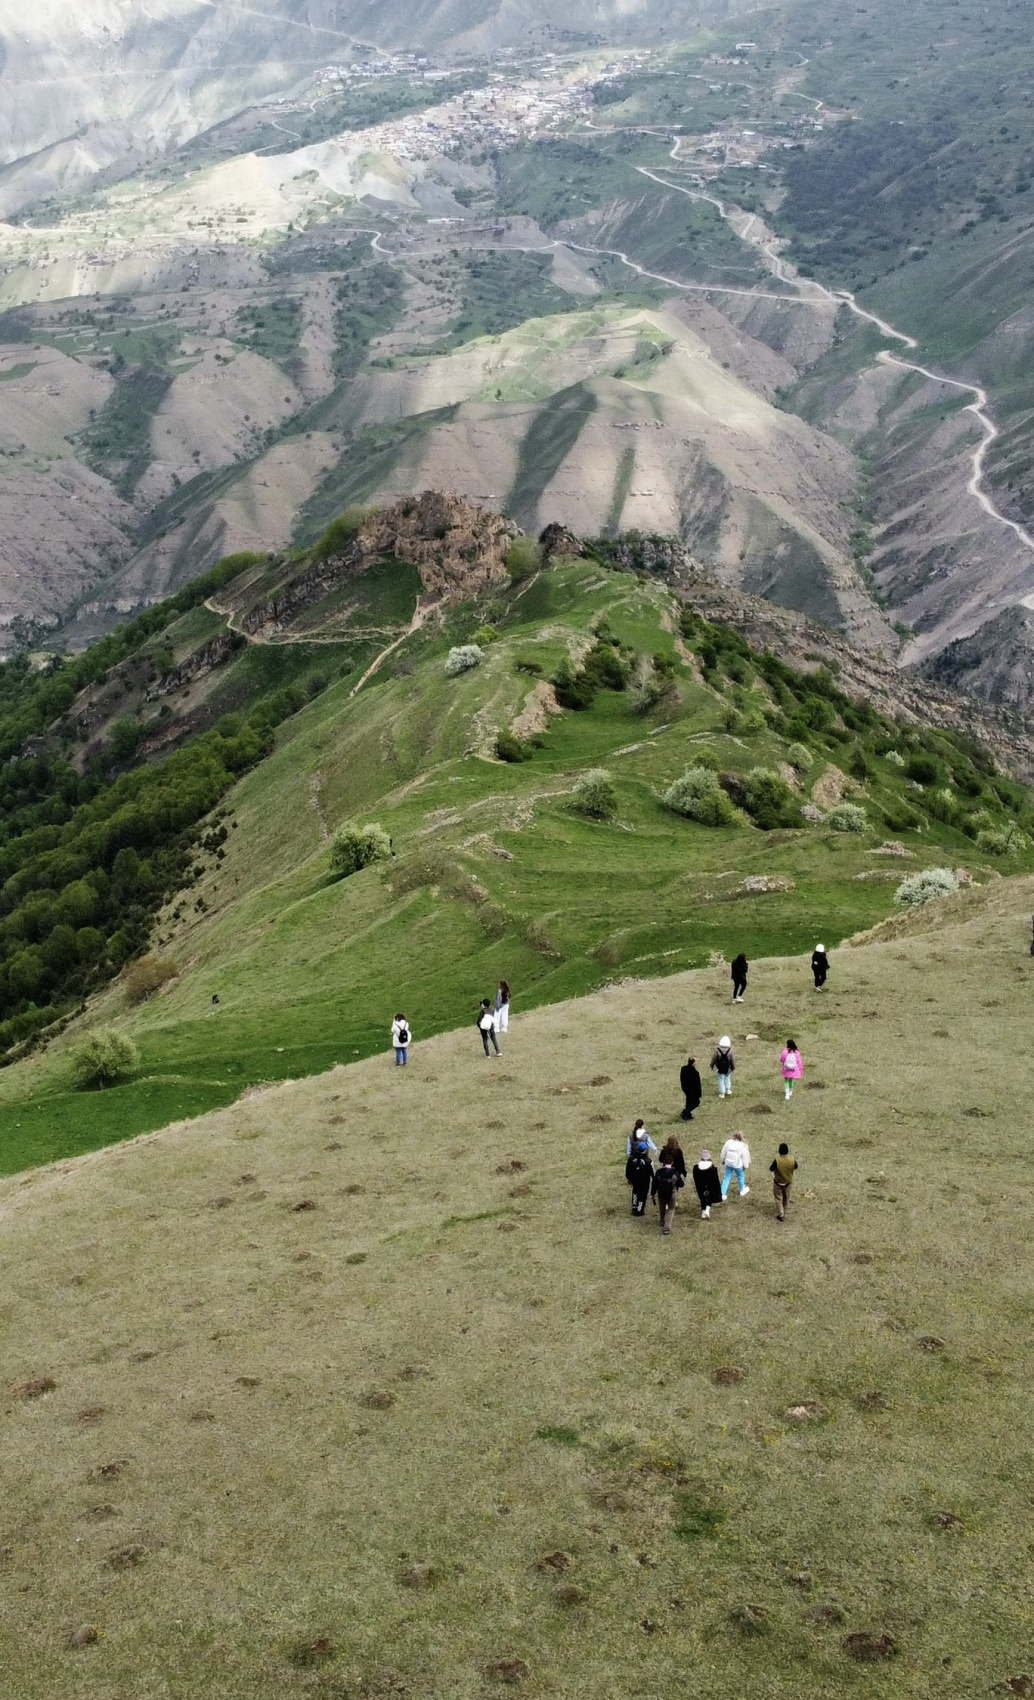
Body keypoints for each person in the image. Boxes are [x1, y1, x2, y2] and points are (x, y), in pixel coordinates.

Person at [651, 1153, 680, 1234]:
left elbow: (654, 1184)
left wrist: (652, 1194)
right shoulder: (675, 1172)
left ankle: (662, 1221)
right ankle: (667, 1227)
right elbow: (681, 1184)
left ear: (663, 1162)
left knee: (662, 1207)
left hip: (661, 1193)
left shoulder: (659, 1172)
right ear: (672, 1162)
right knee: (670, 1209)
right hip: (672, 1194)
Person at [770, 1141, 798, 1221]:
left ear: (779, 1151)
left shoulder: (777, 1160)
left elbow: (771, 1169)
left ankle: (781, 1214)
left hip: (778, 1182)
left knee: (778, 1198)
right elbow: (796, 1166)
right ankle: (784, 1209)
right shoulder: (791, 1159)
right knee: (786, 1197)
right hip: (788, 1182)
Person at [626, 1139, 654, 1217]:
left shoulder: (631, 1158)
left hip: (635, 1180)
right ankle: (639, 1210)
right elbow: (653, 1173)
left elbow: (628, 1170)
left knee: (635, 1192)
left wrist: (629, 1178)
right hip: (644, 1182)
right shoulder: (648, 1161)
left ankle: (634, 1207)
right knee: (643, 1195)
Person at [693, 1148, 723, 1219]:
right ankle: (707, 1209)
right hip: (710, 1186)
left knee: (702, 1198)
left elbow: (695, 1178)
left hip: (700, 1186)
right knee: (710, 1197)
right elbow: (715, 1179)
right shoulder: (712, 1167)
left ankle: (703, 1211)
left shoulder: (696, 1167)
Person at [719, 1131, 750, 1199]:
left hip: (728, 1164)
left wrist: (723, 1160)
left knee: (726, 1177)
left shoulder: (728, 1143)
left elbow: (723, 1152)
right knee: (740, 1176)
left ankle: (722, 1193)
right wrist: (746, 1166)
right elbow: (745, 1157)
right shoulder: (743, 1146)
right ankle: (742, 1190)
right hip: (738, 1165)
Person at [679, 1055, 702, 1121]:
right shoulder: (695, 1073)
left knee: (688, 1101)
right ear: (693, 1063)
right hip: (693, 1090)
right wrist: (699, 1093)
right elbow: (698, 1084)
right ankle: (685, 1112)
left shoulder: (683, 1069)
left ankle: (687, 1115)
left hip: (686, 1088)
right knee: (696, 1102)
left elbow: (682, 1078)